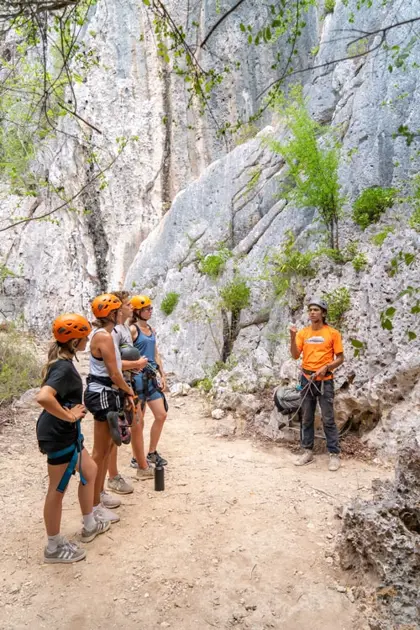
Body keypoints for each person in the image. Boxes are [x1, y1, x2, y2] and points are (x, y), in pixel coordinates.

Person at [36, 313, 110, 564]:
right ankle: (53, 546)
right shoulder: (63, 368)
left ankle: (89, 524)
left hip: (65, 432)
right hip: (58, 433)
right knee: (57, 489)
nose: (88, 339)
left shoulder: (63, 362)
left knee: (89, 469)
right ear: (73, 340)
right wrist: (69, 416)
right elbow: (44, 397)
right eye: (84, 335)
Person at [84, 294, 135, 523]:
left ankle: (99, 494)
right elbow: (114, 373)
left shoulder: (105, 334)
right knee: (100, 451)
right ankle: (93, 505)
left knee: (105, 450)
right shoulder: (104, 337)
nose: (124, 312)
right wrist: (129, 391)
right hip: (103, 394)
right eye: (119, 310)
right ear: (112, 314)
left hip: (107, 393)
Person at [289, 297, 344, 471]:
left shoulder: (333, 333)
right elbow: (295, 355)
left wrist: (326, 367)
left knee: (328, 418)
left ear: (324, 313)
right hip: (307, 379)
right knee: (306, 417)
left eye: (316, 309)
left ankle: (334, 454)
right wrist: (292, 337)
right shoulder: (303, 333)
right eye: (310, 310)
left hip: (325, 380)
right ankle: (307, 451)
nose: (312, 312)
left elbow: (341, 358)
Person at [108, 290, 153, 482]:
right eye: (128, 304)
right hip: (117, 385)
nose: (131, 307)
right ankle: (113, 476)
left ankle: (142, 466)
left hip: (129, 383)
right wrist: (136, 364)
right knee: (113, 434)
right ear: (118, 309)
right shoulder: (113, 332)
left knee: (137, 423)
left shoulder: (125, 328)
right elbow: (111, 364)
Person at [129, 295, 168, 471]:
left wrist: (162, 374)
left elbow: (156, 353)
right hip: (138, 378)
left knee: (161, 414)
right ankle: (136, 457)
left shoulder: (150, 329)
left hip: (151, 376)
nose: (150, 311)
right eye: (147, 309)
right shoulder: (132, 330)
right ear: (137, 311)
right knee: (139, 421)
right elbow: (125, 352)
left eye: (151, 308)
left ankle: (151, 452)